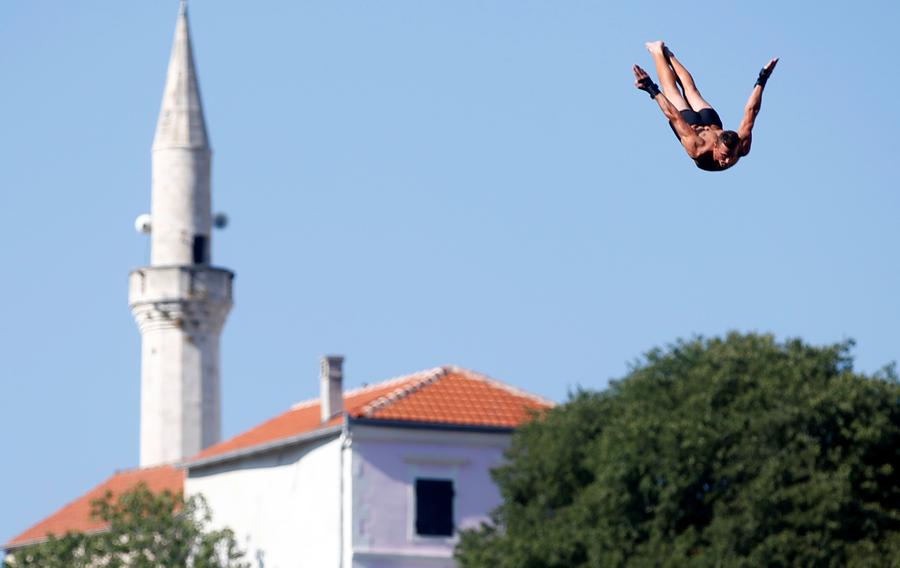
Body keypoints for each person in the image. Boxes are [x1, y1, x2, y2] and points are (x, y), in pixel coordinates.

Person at [633, 41, 778, 172]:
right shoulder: (700, 149)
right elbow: (673, 116)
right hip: (702, 123)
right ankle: (658, 51)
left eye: (731, 156)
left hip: (694, 125)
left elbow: (752, 112)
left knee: (685, 90)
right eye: (725, 155)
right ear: (716, 145)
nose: (726, 161)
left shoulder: (731, 147)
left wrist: (762, 79)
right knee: (677, 89)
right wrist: (651, 88)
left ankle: (666, 53)